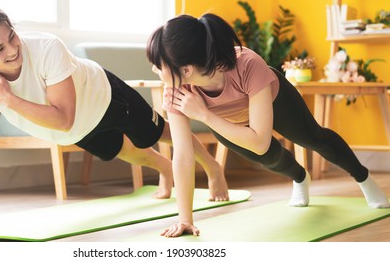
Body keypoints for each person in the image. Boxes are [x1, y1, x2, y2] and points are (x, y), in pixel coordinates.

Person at [0, 1, 228, 229]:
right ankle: (165, 168)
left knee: (160, 133)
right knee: (130, 152)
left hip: (105, 96)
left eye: (12, 36)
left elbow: (64, 117)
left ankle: (212, 168)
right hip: (79, 129)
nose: (14, 48)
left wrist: (7, 98)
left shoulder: (46, 48)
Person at [147, 13, 390, 238]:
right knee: (268, 158)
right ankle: (300, 178)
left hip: (275, 101)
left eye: (159, 65)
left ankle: (364, 178)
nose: (154, 70)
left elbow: (260, 141)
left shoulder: (247, 64)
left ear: (186, 69)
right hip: (230, 123)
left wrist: (205, 115)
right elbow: (183, 156)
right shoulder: (175, 89)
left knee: (314, 139)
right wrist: (185, 219)